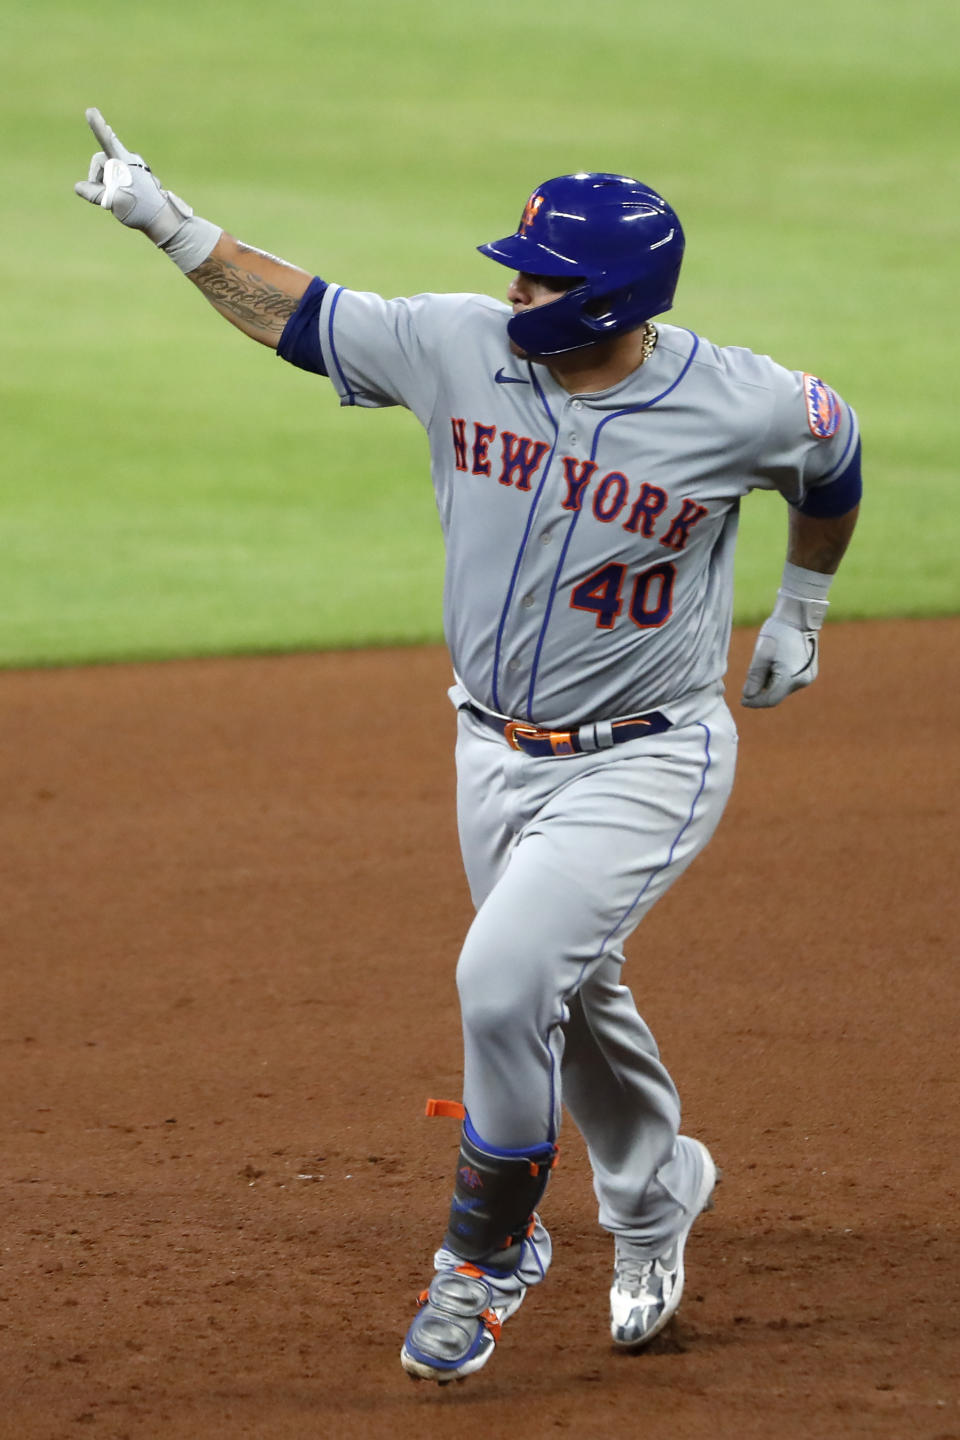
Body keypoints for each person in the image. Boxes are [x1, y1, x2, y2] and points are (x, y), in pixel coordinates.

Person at [75, 111, 861, 1385]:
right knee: (570, 989)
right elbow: (302, 313)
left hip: (647, 757)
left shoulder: (742, 402)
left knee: (503, 981)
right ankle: (660, 1188)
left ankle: (486, 1257)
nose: (515, 288)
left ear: (609, 297)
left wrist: (804, 610)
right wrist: (163, 221)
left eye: (542, 276)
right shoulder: (460, 345)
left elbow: (834, 456)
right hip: (487, 753)